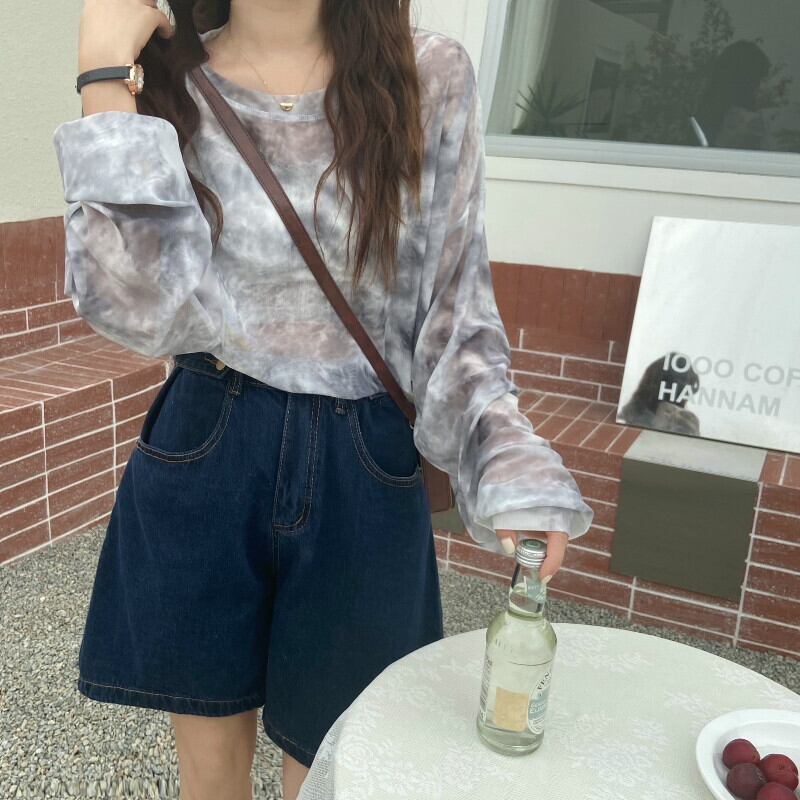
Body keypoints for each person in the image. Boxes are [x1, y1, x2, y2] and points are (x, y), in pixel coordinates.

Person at [52, 0, 594, 797]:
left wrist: (508, 457)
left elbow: (455, 307)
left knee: (334, 761)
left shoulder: (426, 75)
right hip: (208, 437)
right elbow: (134, 305)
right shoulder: (167, 79)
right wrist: (103, 77)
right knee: (210, 769)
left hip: (363, 457)